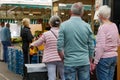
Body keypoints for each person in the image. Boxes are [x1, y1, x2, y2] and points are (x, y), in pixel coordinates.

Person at [57, 2, 94, 80]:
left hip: (69, 61)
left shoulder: (63, 25)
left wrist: (63, 58)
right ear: (82, 13)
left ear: (71, 11)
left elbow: (59, 46)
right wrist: (90, 60)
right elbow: (91, 46)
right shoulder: (87, 26)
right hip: (84, 61)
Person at [30, 15, 65, 80]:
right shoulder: (63, 33)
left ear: (50, 24)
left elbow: (38, 42)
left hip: (50, 58)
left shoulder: (46, 34)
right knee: (64, 76)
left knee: (52, 77)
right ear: (60, 23)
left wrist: (32, 44)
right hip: (61, 57)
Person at [91, 5, 120, 80]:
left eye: (98, 14)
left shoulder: (102, 28)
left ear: (100, 15)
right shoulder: (114, 25)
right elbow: (118, 42)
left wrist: (95, 62)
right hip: (114, 57)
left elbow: (101, 47)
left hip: (104, 58)